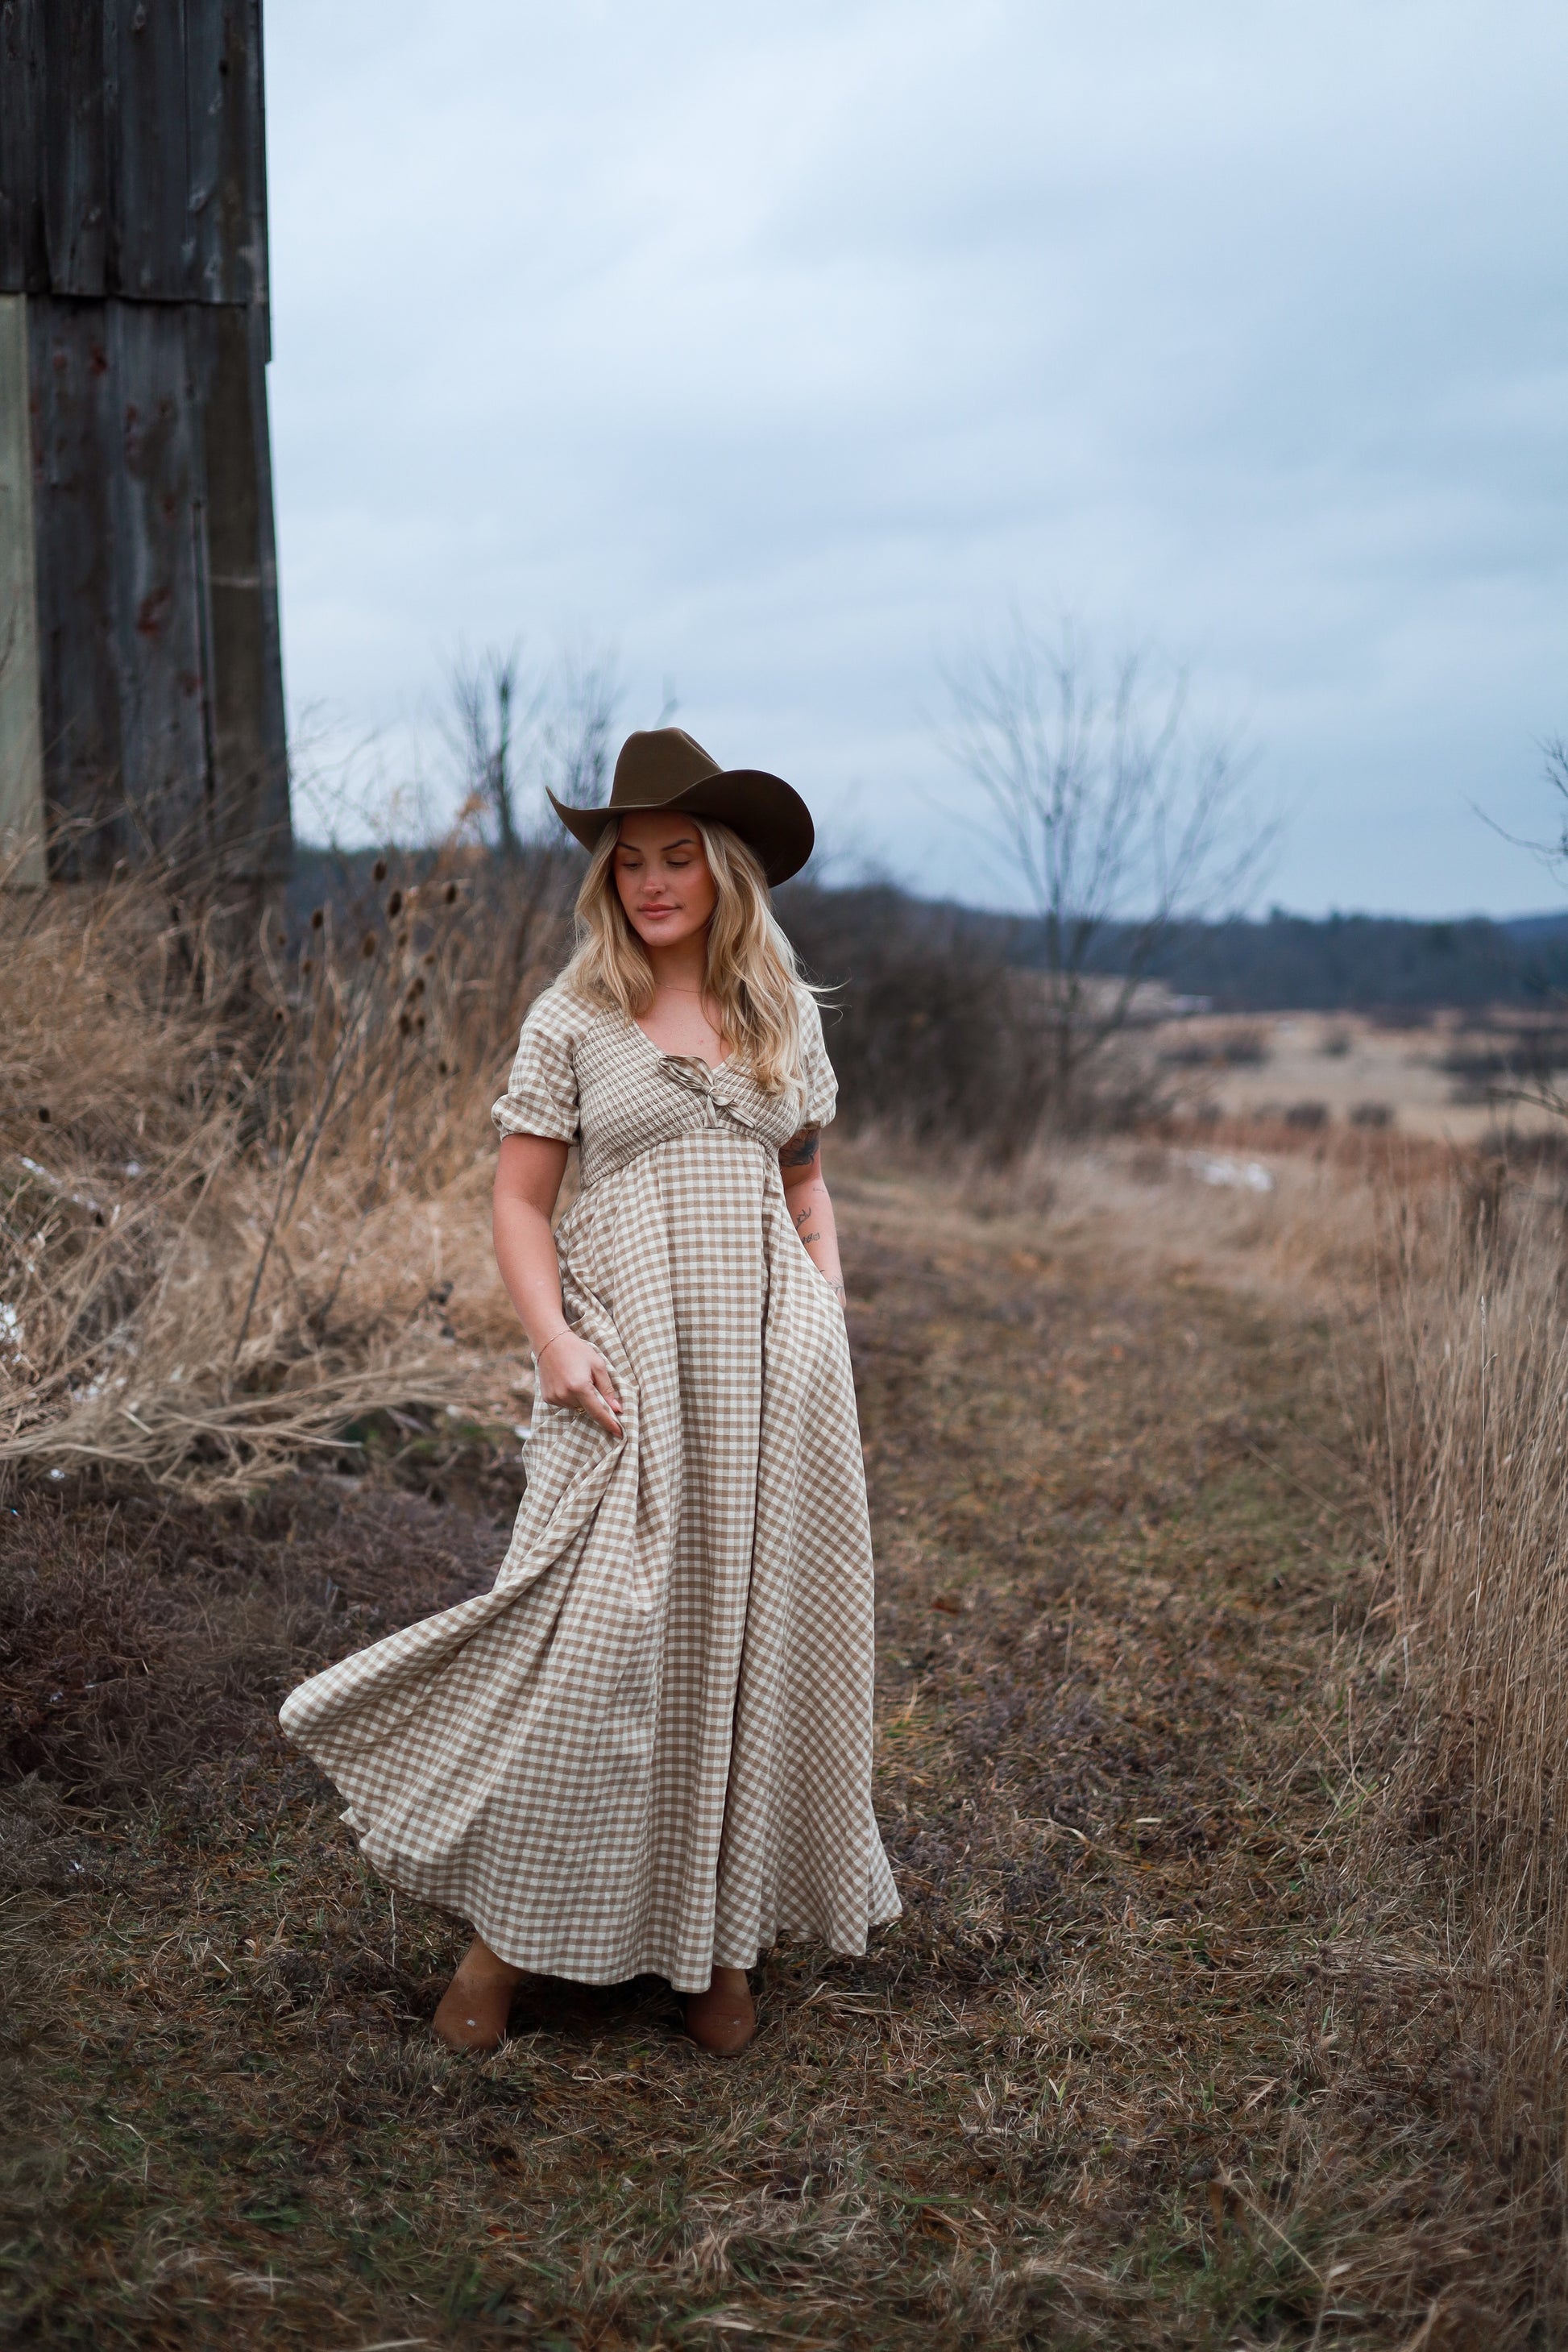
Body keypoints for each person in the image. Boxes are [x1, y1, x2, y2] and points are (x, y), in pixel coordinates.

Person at [279, 727, 900, 2056]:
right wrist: (555, 1343)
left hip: (773, 1381)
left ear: (725, 871)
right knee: (604, 1649)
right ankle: (499, 1955)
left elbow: (804, 1181)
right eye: (631, 861)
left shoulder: (779, 1016)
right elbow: (518, 1201)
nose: (653, 882)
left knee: (755, 1643)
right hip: (625, 1372)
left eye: (678, 857)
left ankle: (717, 1952)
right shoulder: (572, 1019)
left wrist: (825, 1320)